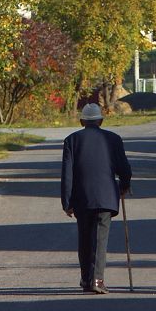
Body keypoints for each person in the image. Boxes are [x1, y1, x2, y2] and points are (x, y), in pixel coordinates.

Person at [61, 103, 132, 294]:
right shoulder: (114, 139)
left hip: (82, 198)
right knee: (100, 239)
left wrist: (67, 202)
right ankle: (98, 280)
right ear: (101, 120)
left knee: (84, 239)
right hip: (106, 197)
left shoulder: (71, 140)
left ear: (81, 121)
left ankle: (86, 280)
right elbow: (124, 168)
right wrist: (124, 186)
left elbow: (67, 175)